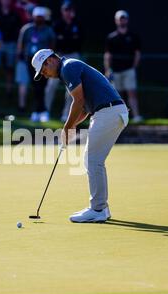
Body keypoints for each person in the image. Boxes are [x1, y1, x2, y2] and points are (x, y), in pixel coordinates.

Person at [31, 49, 129, 223]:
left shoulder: (68, 67)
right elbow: (84, 108)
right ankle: (100, 207)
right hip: (110, 111)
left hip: (109, 111)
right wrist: (73, 126)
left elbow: (78, 101)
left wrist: (67, 127)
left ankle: (98, 209)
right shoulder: (68, 69)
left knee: (93, 160)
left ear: (50, 61)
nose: (45, 75)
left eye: (44, 70)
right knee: (92, 159)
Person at [44, 0, 82, 122]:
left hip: (73, 56)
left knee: (72, 87)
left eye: (70, 10)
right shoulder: (57, 24)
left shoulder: (77, 24)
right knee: (51, 85)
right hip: (58, 56)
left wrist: (66, 40)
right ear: (62, 11)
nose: (68, 12)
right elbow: (54, 42)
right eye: (66, 10)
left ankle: (66, 114)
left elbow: (79, 42)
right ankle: (45, 112)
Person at [18, 6, 55, 122]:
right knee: (35, 86)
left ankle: (39, 111)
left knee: (42, 86)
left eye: (41, 17)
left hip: (44, 63)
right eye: (37, 17)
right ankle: (39, 111)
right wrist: (20, 56)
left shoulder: (48, 30)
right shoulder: (27, 29)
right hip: (30, 61)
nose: (38, 19)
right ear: (33, 17)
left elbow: (52, 45)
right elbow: (21, 44)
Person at [104, 10, 142, 123]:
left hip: (129, 70)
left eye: (124, 18)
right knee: (118, 97)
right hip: (115, 71)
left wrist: (133, 67)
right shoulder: (111, 37)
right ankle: (122, 118)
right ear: (116, 21)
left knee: (132, 93)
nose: (122, 20)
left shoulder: (133, 36)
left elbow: (137, 54)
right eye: (120, 18)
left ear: (127, 19)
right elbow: (107, 55)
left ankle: (136, 116)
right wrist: (107, 69)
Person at [0, 0, 23, 97]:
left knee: (10, 68)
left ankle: (8, 91)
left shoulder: (15, 14)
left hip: (11, 43)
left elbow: (18, 30)